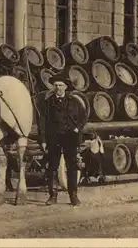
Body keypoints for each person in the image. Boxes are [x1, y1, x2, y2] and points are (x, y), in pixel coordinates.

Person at [37, 73, 88, 207]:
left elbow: (83, 116)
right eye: (56, 85)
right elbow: (42, 122)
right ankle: (53, 196)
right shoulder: (47, 103)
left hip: (70, 138)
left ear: (65, 87)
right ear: (53, 87)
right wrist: (42, 140)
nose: (58, 88)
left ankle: (73, 196)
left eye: (61, 85)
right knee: (52, 167)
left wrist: (78, 128)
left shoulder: (74, 101)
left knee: (72, 166)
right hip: (53, 138)